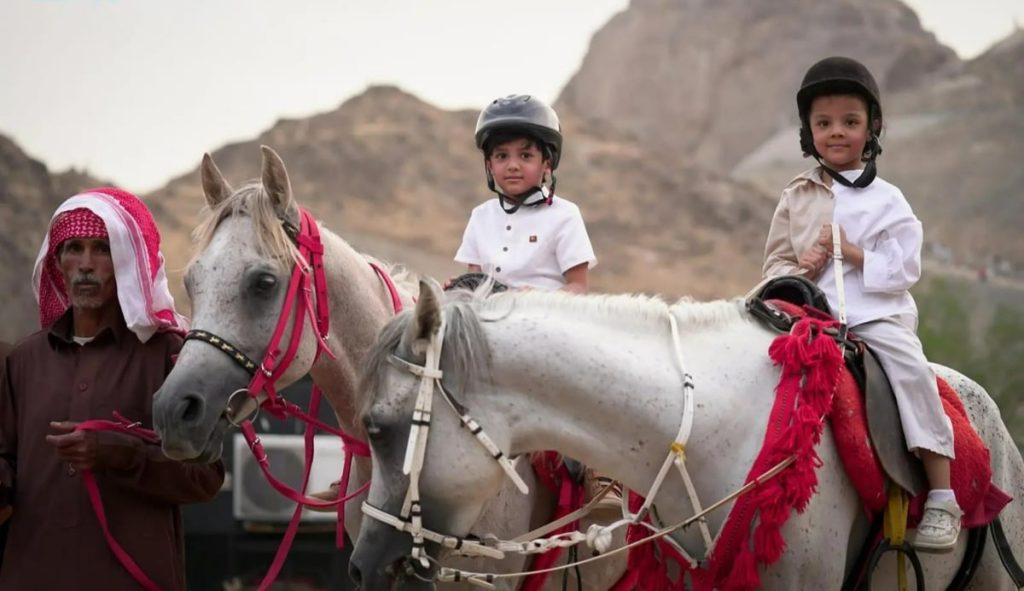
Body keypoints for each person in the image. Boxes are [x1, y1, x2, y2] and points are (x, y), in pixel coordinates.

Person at [762, 56, 960, 552]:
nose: (836, 133)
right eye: (823, 123)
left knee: (910, 369)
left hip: (874, 316)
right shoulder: (796, 196)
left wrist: (851, 253)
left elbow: (905, 270)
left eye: (850, 122)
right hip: (810, 316)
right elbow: (773, 272)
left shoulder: (889, 200)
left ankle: (942, 493)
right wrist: (803, 267)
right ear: (808, 131)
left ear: (871, 127)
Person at [0, 188, 225, 589]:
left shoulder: (168, 355)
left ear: (126, 260)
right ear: (58, 261)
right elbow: (9, 466)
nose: (85, 265)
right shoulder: (23, 361)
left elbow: (205, 477)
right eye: (74, 249)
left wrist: (124, 456)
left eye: (102, 249)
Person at [453, 94, 596, 293]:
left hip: (546, 319)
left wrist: (538, 298)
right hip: (490, 320)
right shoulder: (481, 216)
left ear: (547, 164)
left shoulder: (565, 215)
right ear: (490, 166)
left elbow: (579, 287)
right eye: (502, 156)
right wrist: (461, 289)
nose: (513, 166)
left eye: (525, 156)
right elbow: (474, 280)